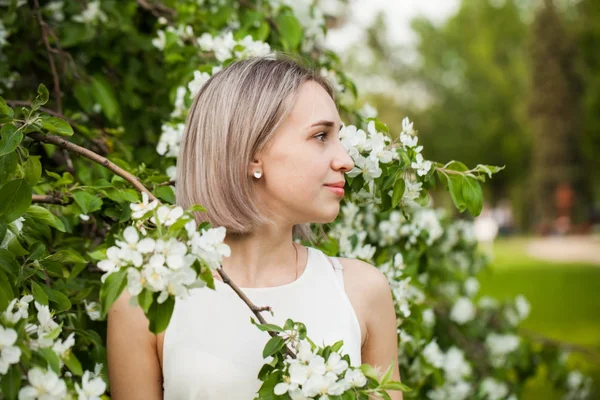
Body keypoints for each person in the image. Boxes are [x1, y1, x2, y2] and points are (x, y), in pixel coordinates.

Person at [106, 55, 402, 399]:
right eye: (321, 136)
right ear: (252, 154)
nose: (346, 160)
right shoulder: (145, 299)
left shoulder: (362, 292)